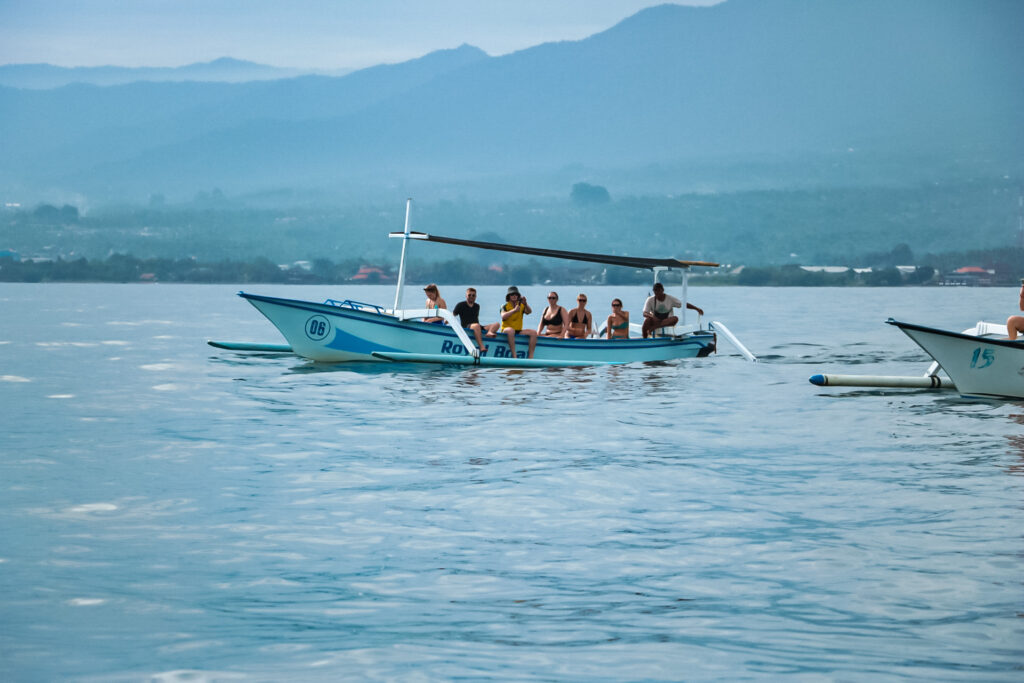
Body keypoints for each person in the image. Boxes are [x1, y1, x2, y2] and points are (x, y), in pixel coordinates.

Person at [485, 285, 537, 358]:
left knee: (533, 333)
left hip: (518, 330)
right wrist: (514, 310)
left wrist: (525, 304)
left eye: (516, 294)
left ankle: (530, 357)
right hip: (506, 330)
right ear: (509, 296)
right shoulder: (504, 306)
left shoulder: (521, 305)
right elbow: (503, 316)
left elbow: (529, 312)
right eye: (512, 294)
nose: (514, 296)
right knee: (511, 330)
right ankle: (514, 355)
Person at [452, 287, 487, 354]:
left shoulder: (477, 306)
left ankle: (489, 333)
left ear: (476, 296)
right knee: (476, 326)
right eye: (469, 295)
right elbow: (453, 315)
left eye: (473, 295)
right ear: (466, 296)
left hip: (476, 326)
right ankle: (482, 347)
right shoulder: (460, 305)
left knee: (496, 325)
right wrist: (445, 322)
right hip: (466, 326)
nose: (471, 297)